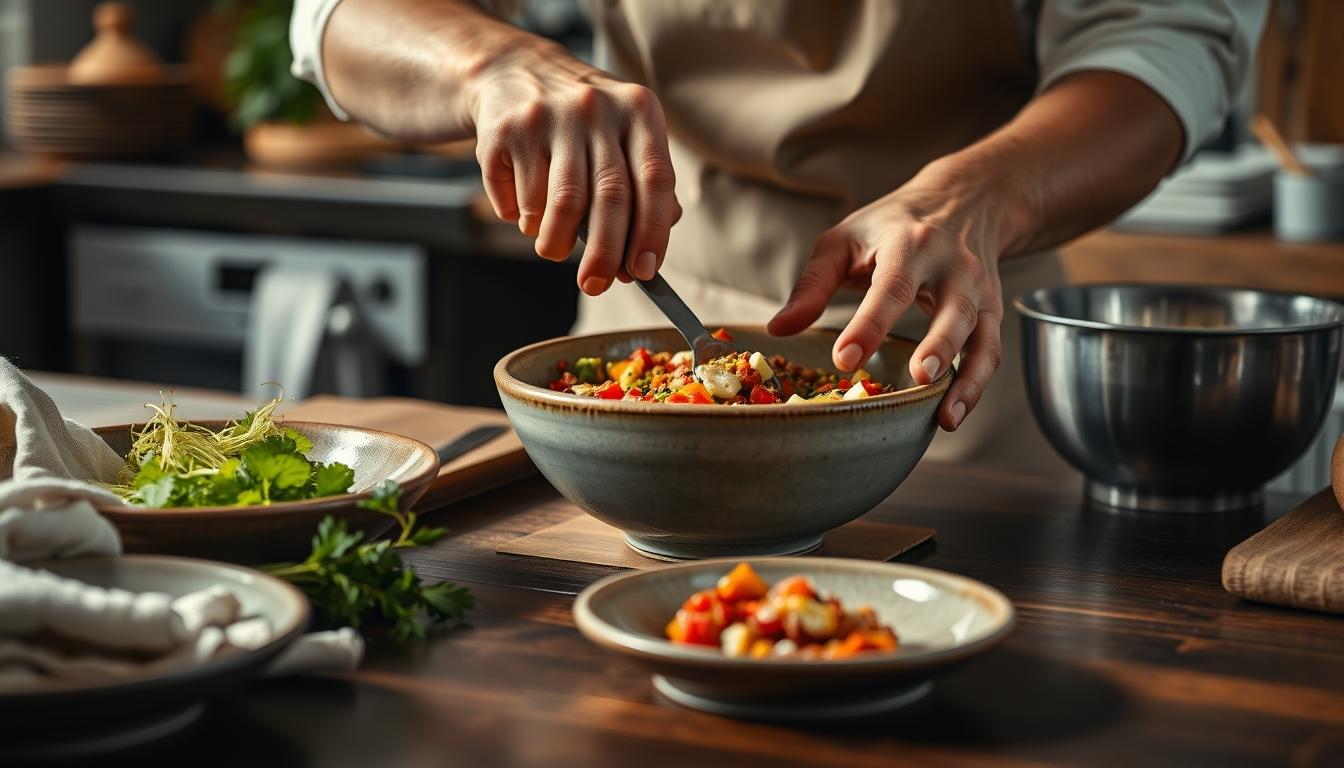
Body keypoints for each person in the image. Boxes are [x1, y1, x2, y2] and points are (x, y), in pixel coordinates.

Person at [291, 0, 1264, 474]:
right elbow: (336, 15)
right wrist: (493, 60)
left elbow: (1166, 40)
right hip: (646, 357)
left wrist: (980, 194)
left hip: (944, 363)